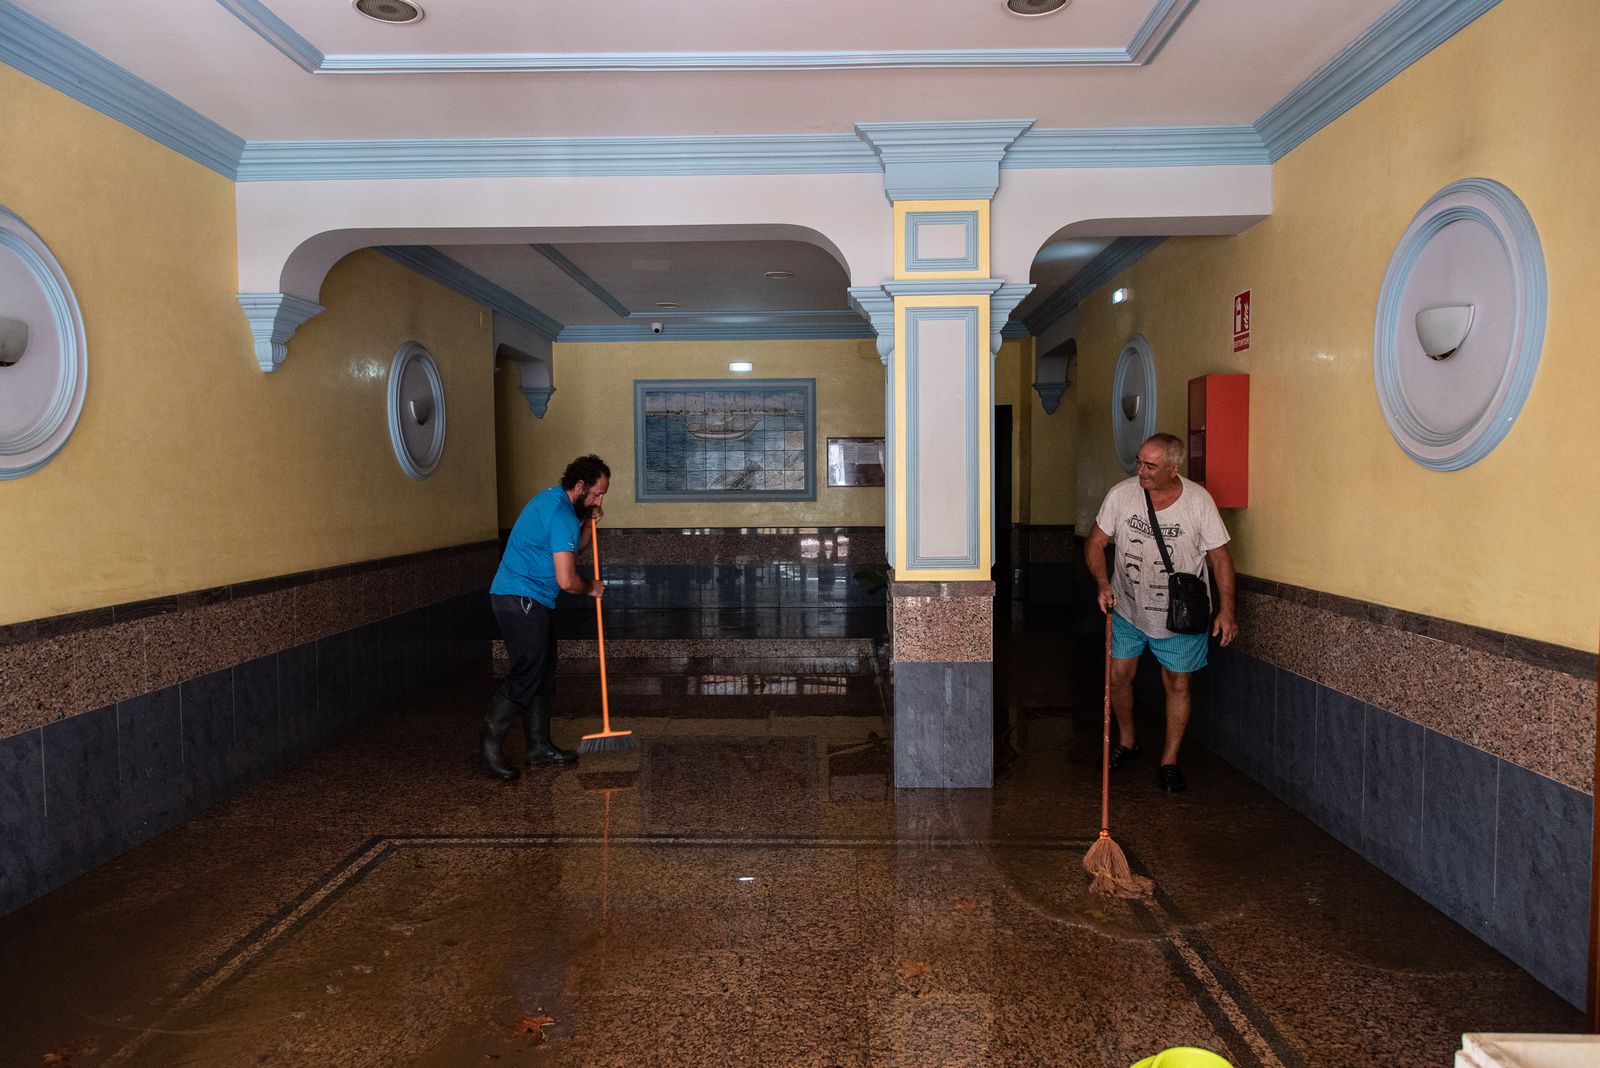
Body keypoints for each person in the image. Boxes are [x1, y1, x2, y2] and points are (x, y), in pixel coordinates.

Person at [1084, 433, 1238, 792]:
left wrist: (1227, 611)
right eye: (1139, 462)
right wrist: (1102, 583)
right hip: (1127, 607)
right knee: (1119, 677)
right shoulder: (1121, 495)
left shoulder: (1199, 502)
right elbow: (1095, 542)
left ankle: (1169, 760)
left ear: (1173, 467)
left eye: (1150, 466)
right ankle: (1128, 741)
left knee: (1178, 683)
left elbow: (1220, 558)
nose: (1141, 471)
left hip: (1181, 615)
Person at [479, 455, 609, 781]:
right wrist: (591, 587)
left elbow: (570, 549)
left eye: (602, 495)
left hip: (531, 597)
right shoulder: (559, 513)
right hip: (520, 597)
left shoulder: (557, 504)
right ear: (579, 486)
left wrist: (589, 525)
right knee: (527, 672)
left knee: (542, 671)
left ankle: (539, 747)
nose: (599, 500)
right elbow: (566, 580)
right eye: (595, 494)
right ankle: (488, 748)